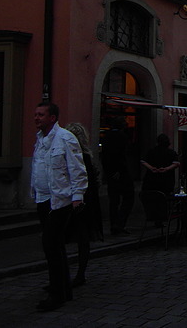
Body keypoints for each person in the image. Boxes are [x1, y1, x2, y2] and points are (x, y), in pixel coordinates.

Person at [31, 102, 88, 311]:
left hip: (60, 200)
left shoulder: (65, 138)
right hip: (43, 199)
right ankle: (63, 288)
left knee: (51, 245)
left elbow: (77, 168)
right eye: (35, 114)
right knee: (54, 246)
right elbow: (39, 167)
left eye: (41, 115)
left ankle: (57, 294)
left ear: (52, 117)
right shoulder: (40, 139)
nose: (36, 118)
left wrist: (77, 195)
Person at [63, 122, 103, 288]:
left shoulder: (81, 156)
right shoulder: (85, 156)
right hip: (84, 202)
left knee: (78, 238)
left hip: (78, 202)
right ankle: (77, 274)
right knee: (81, 239)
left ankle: (77, 275)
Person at [101, 117, 135, 236]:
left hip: (110, 173)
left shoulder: (106, 137)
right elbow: (121, 155)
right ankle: (119, 223)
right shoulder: (122, 137)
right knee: (129, 197)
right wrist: (119, 170)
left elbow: (103, 156)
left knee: (113, 201)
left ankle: (113, 225)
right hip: (121, 172)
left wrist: (108, 171)